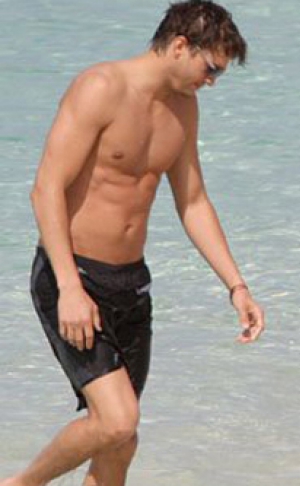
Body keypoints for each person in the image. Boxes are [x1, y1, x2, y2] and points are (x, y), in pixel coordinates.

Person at [1, 1, 265, 485]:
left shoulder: (183, 108)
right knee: (117, 420)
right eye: (211, 69)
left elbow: (193, 202)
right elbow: (46, 189)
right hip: (74, 275)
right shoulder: (100, 87)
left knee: (119, 443)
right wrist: (69, 289)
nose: (212, 82)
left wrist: (237, 287)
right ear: (181, 46)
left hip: (131, 285)